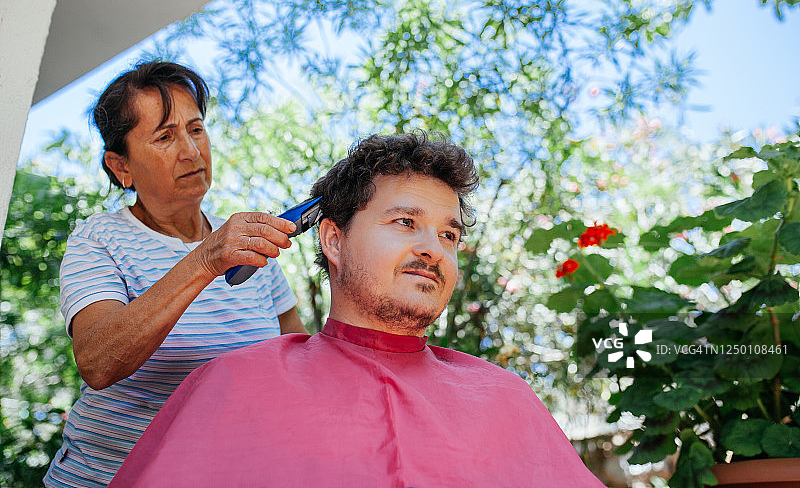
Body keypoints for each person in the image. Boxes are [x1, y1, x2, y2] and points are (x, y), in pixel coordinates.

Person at [109, 133, 603, 487]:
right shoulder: (231, 384)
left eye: (449, 234)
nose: (433, 248)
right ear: (333, 242)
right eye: (406, 221)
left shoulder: (503, 398)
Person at [44, 61, 308, 487]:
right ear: (121, 166)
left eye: (196, 129)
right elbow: (97, 361)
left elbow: (297, 357)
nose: (190, 150)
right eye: (165, 136)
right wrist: (205, 260)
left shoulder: (246, 245)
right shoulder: (99, 239)